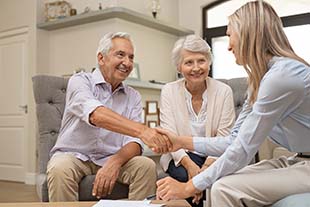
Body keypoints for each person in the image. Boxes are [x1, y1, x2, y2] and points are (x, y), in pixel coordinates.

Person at [155, 1, 310, 206]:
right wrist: (180, 142)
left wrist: (189, 187)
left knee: (222, 187)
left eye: (229, 35)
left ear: (247, 34)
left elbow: (243, 150)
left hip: (305, 165)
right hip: (298, 159)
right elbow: (234, 140)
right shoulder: (260, 81)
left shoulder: (282, 77)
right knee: (220, 180)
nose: (228, 46)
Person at [47, 32, 170, 201]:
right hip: (74, 156)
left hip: (111, 157)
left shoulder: (133, 96)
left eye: (131, 57)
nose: (127, 63)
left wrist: (115, 161)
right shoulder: (80, 81)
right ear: (101, 58)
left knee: (146, 165)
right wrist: (143, 131)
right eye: (120, 55)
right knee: (59, 168)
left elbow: (134, 143)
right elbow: (96, 114)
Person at [159, 34, 235, 207]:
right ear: (179, 67)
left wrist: (204, 171)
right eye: (188, 62)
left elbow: (224, 137)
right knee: (190, 179)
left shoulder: (224, 91)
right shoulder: (169, 91)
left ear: (209, 62)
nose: (196, 68)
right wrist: (192, 169)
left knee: (215, 183)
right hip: (181, 158)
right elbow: (170, 138)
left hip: (215, 156)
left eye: (201, 61)